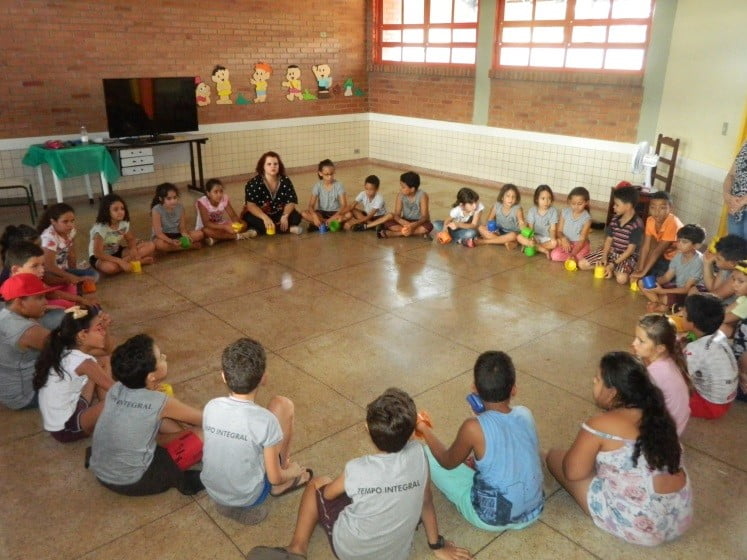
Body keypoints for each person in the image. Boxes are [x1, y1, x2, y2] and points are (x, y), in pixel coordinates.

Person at [272, 387, 471, 560]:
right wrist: (436, 545)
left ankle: (297, 548)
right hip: (397, 554)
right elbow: (426, 502)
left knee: (318, 483)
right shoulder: (419, 455)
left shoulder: (357, 469)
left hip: (351, 551)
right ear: (412, 433)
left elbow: (328, 495)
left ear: (367, 429)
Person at [546, 351, 692, 546]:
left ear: (613, 392)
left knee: (554, 456)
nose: (593, 381)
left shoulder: (599, 425)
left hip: (641, 525)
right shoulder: (659, 414)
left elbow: (572, 473)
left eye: (597, 379)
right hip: (679, 514)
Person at [416, 351, 544, 532]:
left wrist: (423, 428)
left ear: (474, 388)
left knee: (426, 454)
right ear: (514, 389)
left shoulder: (473, 428)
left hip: (490, 519)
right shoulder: (525, 413)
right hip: (533, 511)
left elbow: (446, 461)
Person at [201, 338, 312, 524]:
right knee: (284, 405)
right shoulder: (265, 421)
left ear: (223, 376)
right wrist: (292, 472)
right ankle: (283, 473)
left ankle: (228, 501)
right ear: (263, 378)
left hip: (214, 489)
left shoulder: (211, 406)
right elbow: (274, 477)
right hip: (249, 495)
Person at [89, 334, 204, 496]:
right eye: (160, 357)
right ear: (151, 376)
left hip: (103, 472)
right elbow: (206, 419)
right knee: (205, 433)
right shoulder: (160, 402)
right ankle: (181, 476)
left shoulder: (117, 388)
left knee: (158, 421)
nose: (165, 357)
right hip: (134, 481)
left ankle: (180, 441)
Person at [34, 306, 114, 442]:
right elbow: (117, 390)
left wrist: (106, 328)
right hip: (67, 429)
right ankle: (107, 411)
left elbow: (107, 351)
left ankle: (103, 406)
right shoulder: (84, 363)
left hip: (72, 407)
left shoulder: (67, 348)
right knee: (120, 400)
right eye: (99, 329)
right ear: (82, 335)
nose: (103, 333)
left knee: (103, 360)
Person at [0, 273, 54, 410]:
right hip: (26, 396)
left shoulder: (5, 311)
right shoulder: (27, 331)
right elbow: (71, 351)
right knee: (95, 362)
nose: (46, 302)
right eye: (39, 298)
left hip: (8, 390)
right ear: (19, 302)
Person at [680, 294, 738, 419]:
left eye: (683, 316)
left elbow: (680, 375)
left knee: (665, 391)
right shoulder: (719, 335)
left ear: (693, 323)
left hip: (709, 406)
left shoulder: (695, 349)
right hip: (726, 401)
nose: (680, 317)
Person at [631, 314, 691, 436]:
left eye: (641, 341)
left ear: (660, 348)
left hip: (664, 434)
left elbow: (638, 403)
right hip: (677, 425)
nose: (634, 343)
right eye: (635, 338)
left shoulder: (654, 374)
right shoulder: (669, 359)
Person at [579, 186, 643, 284]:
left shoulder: (637, 225)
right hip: (611, 252)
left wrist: (613, 264)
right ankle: (608, 268)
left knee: (622, 279)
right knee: (582, 264)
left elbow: (630, 251)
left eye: (617, 205)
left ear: (628, 206)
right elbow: (609, 240)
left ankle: (611, 269)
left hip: (626, 257)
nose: (614, 207)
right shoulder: (615, 219)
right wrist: (604, 255)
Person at [4, 241, 95, 310]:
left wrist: (80, 299)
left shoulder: (31, 278)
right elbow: (26, 312)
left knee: (69, 289)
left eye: (42, 265)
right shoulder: (15, 287)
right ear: (15, 270)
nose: (42, 270)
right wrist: (52, 307)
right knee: (62, 305)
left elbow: (52, 292)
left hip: (40, 303)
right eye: (35, 266)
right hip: (32, 318)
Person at [639, 224, 706, 313]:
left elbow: (687, 289)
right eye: (678, 241)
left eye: (684, 242)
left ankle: (665, 304)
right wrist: (653, 283)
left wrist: (662, 291)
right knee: (642, 282)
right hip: (677, 287)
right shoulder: (678, 255)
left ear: (696, 245)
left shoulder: (698, 261)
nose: (679, 244)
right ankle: (662, 304)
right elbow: (666, 277)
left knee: (666, 297)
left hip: (689, 294)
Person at [89, 194, 156, 275]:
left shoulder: (123, 223)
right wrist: (120, 261)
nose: (120, 212)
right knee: (110, 268)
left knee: (151, 245)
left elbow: (130, 239)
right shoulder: (101, 228)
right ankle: (138, 262)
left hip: (117, 251)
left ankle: (128, 263)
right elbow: (98, 253)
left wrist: (133, 250)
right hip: (101, 257)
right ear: (106, 211)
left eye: (122, 208)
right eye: (116, 209)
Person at [37, 203, 99, 288]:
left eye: (72, 221)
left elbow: (71, 253)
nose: (70, 225)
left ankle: (72, 284)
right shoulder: (49, 237)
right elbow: (48, 266)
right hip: (49, 272)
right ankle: (68, 284)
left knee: (94, 275)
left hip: (63, 270)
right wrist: (69, 276)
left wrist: (73, 271)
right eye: (65, 221)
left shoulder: (71, 231)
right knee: (48, 279)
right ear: (53, 222)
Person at [243, 152, 303, 235]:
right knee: (249, 218)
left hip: (279, 213)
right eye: (269, 164)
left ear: (279, 166)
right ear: (263, 166)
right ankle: (286, 229)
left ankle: (260, 231)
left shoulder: (285, 180)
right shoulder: (254, 183)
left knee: (296, 216)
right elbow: (251, 205)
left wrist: (285, 215)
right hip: (261, 215)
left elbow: (291, 201)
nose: (273, 166)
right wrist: (265, 218)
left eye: (275, 164)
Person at [630, 191, 683, 281]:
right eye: (653, 207)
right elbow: (646, 247)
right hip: (664, 255)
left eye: (662, 208)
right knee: (645, 271)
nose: (657, 212)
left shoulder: (673, 223)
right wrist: (640, 269)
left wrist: (643, 272)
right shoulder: (650, 220)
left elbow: (658, 250)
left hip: (677, 260)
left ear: (670, 209)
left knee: (658, 279)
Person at [195, 178, 255, 244]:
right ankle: (237, 236)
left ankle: (217, 239)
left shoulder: (224, 198)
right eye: (216, 192)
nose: (219, 195)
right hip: (208, 227)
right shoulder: (202, 202)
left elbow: (233, 216)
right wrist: (225, 227)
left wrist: (237, 225)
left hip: (220, 224)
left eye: (221, 191)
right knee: (205, 231)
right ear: (208, 193)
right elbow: (206, 223)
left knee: (244, 224)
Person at [377, 171, 433, 239]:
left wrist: (413, 225)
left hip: (418, 222)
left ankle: (395, 234)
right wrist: (404, 222)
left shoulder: (422, 196)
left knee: (428, 227)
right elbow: (397, 214)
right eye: (401, 186)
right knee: (387, 222)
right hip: (405, 221)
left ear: (412, 189)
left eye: (403, 187)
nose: (401, 189)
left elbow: (424, 217)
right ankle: (412, 233)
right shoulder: (400, 195)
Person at [151, 182, 204, 252]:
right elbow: (158, 233)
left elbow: (182, 228)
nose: (173, 201)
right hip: (164, 237)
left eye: (175, 197)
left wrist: (185, 235)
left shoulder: (180, 207)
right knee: (159, 244)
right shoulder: (156, 210)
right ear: (161, 199)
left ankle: (173, 248)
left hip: (177, 235)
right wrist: (170, 241)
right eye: (169, 199)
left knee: (199, 234)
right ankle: (189, 247)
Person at [301, 159, 348, 230]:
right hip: (321, 213)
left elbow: (344, 205)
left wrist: (332, 218)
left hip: (335, 213)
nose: (330, 177)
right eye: (327, 174)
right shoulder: (317, 185)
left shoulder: (339, 185)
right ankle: (328, 224)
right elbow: (311, 205)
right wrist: (314, 216)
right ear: (320, 173)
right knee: (303, 213)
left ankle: (321, 225)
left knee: (349, 214)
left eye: (332, 174)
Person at [475, 183, 524, 249]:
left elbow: (521, 222)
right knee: (481, 228)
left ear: (516, 198)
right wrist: (492, 228)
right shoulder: (496, 206)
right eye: (508, 196)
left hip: (512, 233)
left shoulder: (518, 209)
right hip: (499, 231)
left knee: (513, 235)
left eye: (513, 197)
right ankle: (506, 242)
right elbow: (489, 220)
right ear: (502, 197)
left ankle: (486, 241)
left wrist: (522, 225)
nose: (511, 199)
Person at [550, 186, 592, 262]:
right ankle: (572, 258)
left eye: (579, 204)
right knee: (554, 256)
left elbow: (582, 240)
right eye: (573, 203)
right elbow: (559, 231)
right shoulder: (565, 212)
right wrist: (563, 239)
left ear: (586, 202)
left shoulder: (587, 219)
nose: (576, 206)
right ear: (569, 201)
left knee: (579, 257)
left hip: (580, 244)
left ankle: (577, 256)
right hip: (566, 242)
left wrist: (572, 254)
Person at [702, 234, 747, 305]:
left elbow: (716, 295)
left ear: (733, 263)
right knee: (695, 290)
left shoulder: (740, 275)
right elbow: (712, 287)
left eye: (718, 259)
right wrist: (706, 263)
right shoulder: (725, 268)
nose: (714, 259)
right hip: (719, 303)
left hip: (728, 309)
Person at [517, 184, 559, 258]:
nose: (546, 201)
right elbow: (531, 229)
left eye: (549, 198)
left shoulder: (553, 211)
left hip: (547, 238)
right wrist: (531, 239)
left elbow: (553, 229)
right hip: (534, 236)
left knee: (555, 243)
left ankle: (533, 247)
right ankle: (544, 250)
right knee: (519, 237)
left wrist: (553, 239)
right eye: (543, 198)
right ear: (537, 199)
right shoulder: (532, 211)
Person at [722, 140, 747, 238]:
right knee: (733, 249)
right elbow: (731, 175)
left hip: (737, 205)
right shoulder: (745, 144)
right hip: (735, 209)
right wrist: (727, 194)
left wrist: (742, 202)